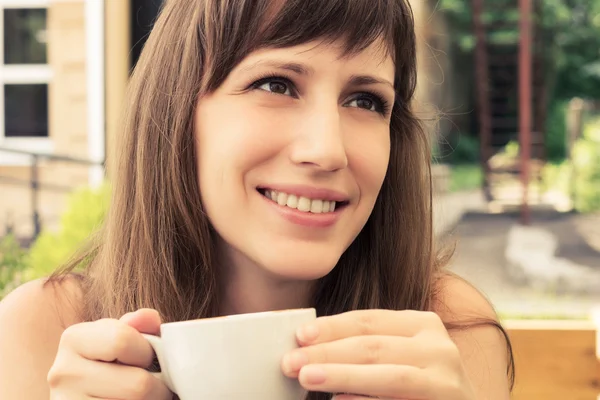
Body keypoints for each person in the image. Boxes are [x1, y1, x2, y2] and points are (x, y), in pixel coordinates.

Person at [0, 0, 513, 399]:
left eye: (365, 101)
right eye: (277, 84)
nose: (327, 150)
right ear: (177, 111)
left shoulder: (446, 333)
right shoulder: (42, 331)